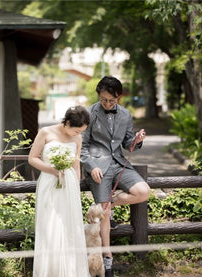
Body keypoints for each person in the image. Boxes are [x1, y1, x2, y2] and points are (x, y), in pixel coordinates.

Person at [80, 76, 150, 277]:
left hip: (119, 163)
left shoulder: (126, 115)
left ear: (119, 97)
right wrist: (91, 166)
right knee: (104, 208)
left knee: (143, 192)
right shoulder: (90, 113)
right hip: (98, 167)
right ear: (99, 96)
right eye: (104, 100)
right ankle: (107, 259)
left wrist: (137, 140)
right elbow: (82, 147)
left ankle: (107, 210)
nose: (108, 104)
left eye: (112, 100)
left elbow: (128, 144)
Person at [29, 105, 91, 277]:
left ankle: (71, 271)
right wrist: (51, 170)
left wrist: (76, 190)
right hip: (49, 183)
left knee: (69, 227)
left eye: (82, 131)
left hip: (69, 185)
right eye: (77, 130)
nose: (78, 134)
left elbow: (76, 165)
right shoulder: (45, 132)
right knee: (50, 225)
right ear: (67, 123)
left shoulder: (77, 139)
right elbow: (32, 158)